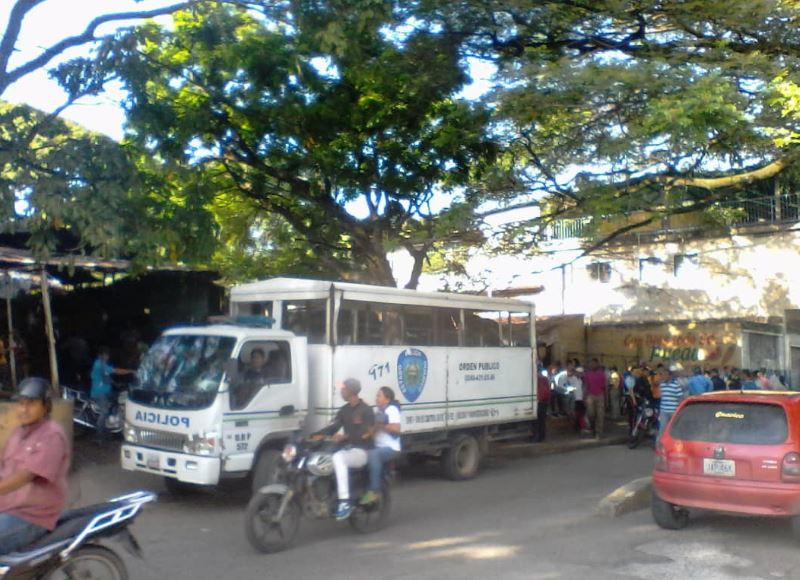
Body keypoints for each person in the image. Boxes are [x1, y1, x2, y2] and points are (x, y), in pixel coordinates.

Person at [0, 377, 71, 554]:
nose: (24, 409)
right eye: (21, 403)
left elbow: (25, 476)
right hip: (9, 506)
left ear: (46, 406)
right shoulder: (19, 432)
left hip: (31, 515)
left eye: (31, 404)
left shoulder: (51, 435)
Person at [311, 378, 374, 520]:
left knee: (338, 458)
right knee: (321, 460)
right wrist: (314, 436)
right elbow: (333, 427)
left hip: (362, 451)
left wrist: (344, 437)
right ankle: (326, 496)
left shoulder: (366, 410)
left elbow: (366, 434)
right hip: (348, 449)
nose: (341, 391)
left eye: (343, 389)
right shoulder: (344, 410)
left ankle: (345, 502)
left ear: (351, 391)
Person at [360, 386, 401, 505]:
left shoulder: (391, 409)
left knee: (373, 455)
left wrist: (381, 425)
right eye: (377, 395)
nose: (376, 398)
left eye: (379, 395)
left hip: (391, 448)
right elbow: (374, 430)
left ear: (387, 399)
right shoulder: (379, 412)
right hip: (378, 446)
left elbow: (396, 428)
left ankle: (374, 491)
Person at [90, 347, 134, 442]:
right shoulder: (99, 364)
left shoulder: (103, 365)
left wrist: (117, 384)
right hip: (99, 394)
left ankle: (113, 425)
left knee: (118, 399)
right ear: (101, 355)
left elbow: (106, 378)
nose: (107, 357)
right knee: (104, 411)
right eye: (106, 355)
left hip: (107, 393)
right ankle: (98, 436)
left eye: (108, 355)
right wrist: (130, 371)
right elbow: (116, 371)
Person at [657, 365, 685, 443]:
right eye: (662, 375)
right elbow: (661, 395)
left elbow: (680, 399)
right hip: (664, 411)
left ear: (669, 376)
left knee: (674, 430)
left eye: (664, 375)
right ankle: (659, 446)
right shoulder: (662, 385)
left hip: (673, 411)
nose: (663, 376)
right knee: (662, 429)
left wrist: (679, 411)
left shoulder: (676, 385)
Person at [583, 359, 606, 438]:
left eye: (594, 364)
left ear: (597, 364)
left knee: (600, 415)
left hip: (600, 395)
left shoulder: (602, 374)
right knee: (591, 414)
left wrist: (606, 399)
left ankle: (599, 432)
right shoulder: (587, 374)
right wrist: (584, 397)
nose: (592, 365)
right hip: (590, 395)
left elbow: (605, 387)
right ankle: (593, 428)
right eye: (591, 364)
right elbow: (586, 386)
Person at [534, 367, 550, 442]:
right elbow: (548, 388)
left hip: (539, 400)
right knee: (542, 420)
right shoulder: (545, 378)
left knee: (537, 420)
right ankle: (542, 436)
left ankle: (537, 437)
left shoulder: (535, 378)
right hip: (545, 400)